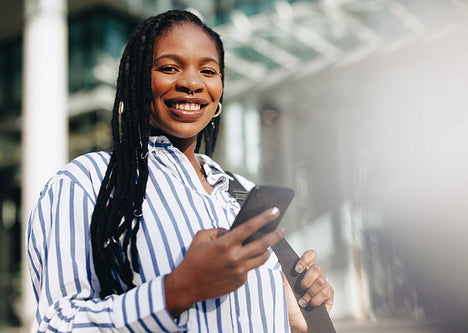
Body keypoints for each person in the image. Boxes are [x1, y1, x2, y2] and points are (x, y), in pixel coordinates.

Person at [26, 10, 334, 332]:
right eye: (169, 68)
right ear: (137, 82)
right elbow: (56, 325)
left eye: (208, 71)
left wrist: (298, 316)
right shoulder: (87, 182)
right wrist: (177, 289)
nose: (191, 83)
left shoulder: (239, 190)